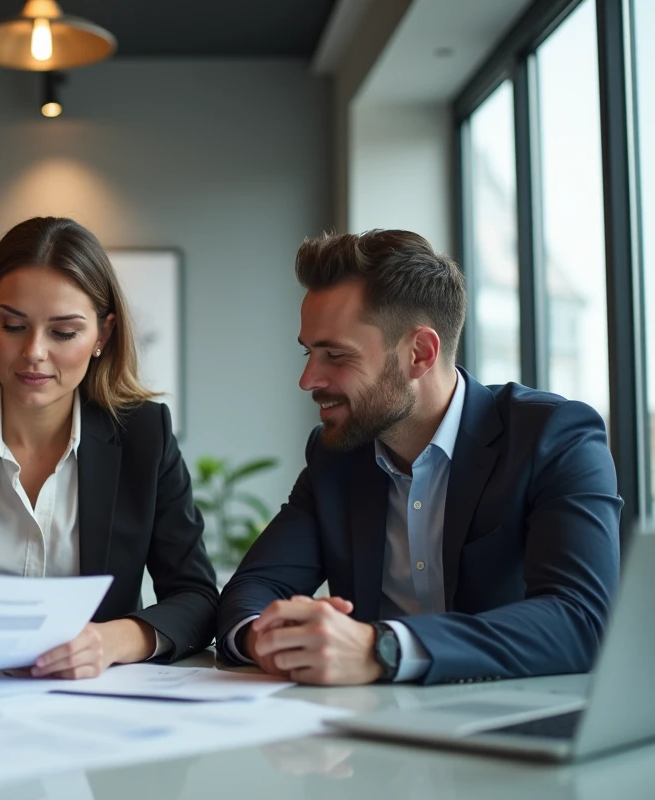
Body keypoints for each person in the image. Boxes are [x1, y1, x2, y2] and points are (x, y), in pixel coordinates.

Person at [218, 229, 621, 685]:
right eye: (309, 352)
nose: (308, 378)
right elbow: (253, 589)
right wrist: (268, 639)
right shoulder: (336, 456)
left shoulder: (554, 437)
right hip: (373, 733)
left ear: (420, 354)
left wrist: (383, 648)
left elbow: (582, 620)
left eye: (335, 355)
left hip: (520, 730)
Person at [0, 217, 217, 679]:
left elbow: (196, 597)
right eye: (14, 325)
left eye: (63, 332)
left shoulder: (144, 435)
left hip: (93, 704)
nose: (34, 351)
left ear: (103, 335)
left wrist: (110, 640)